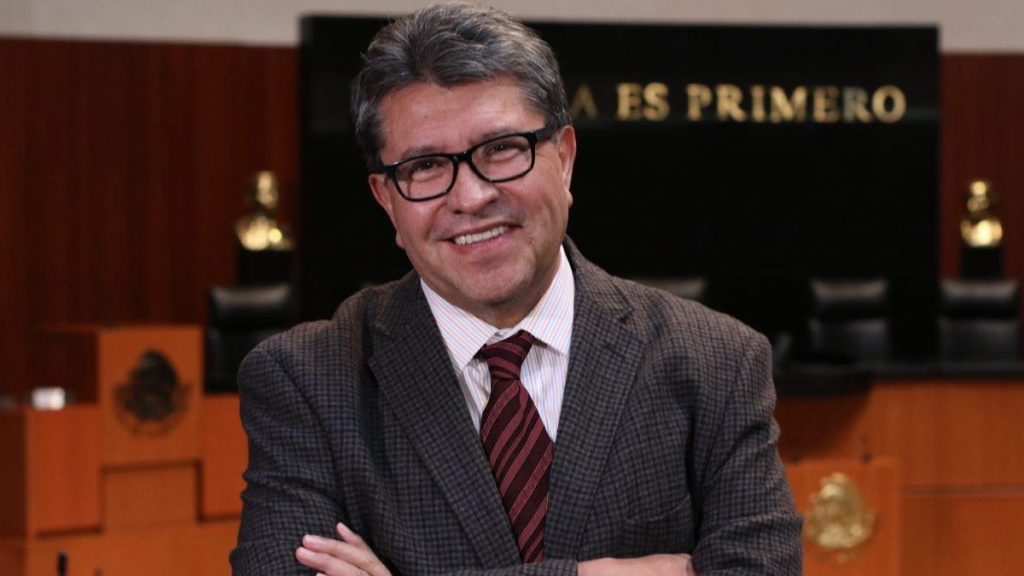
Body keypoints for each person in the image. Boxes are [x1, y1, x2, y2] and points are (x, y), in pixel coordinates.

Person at [230, 3, 802, 574]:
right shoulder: (306, 379)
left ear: (564, 159)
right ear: (386, 200)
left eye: (501, 149)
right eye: (425, 166)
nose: (471, 197)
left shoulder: (718, 361)